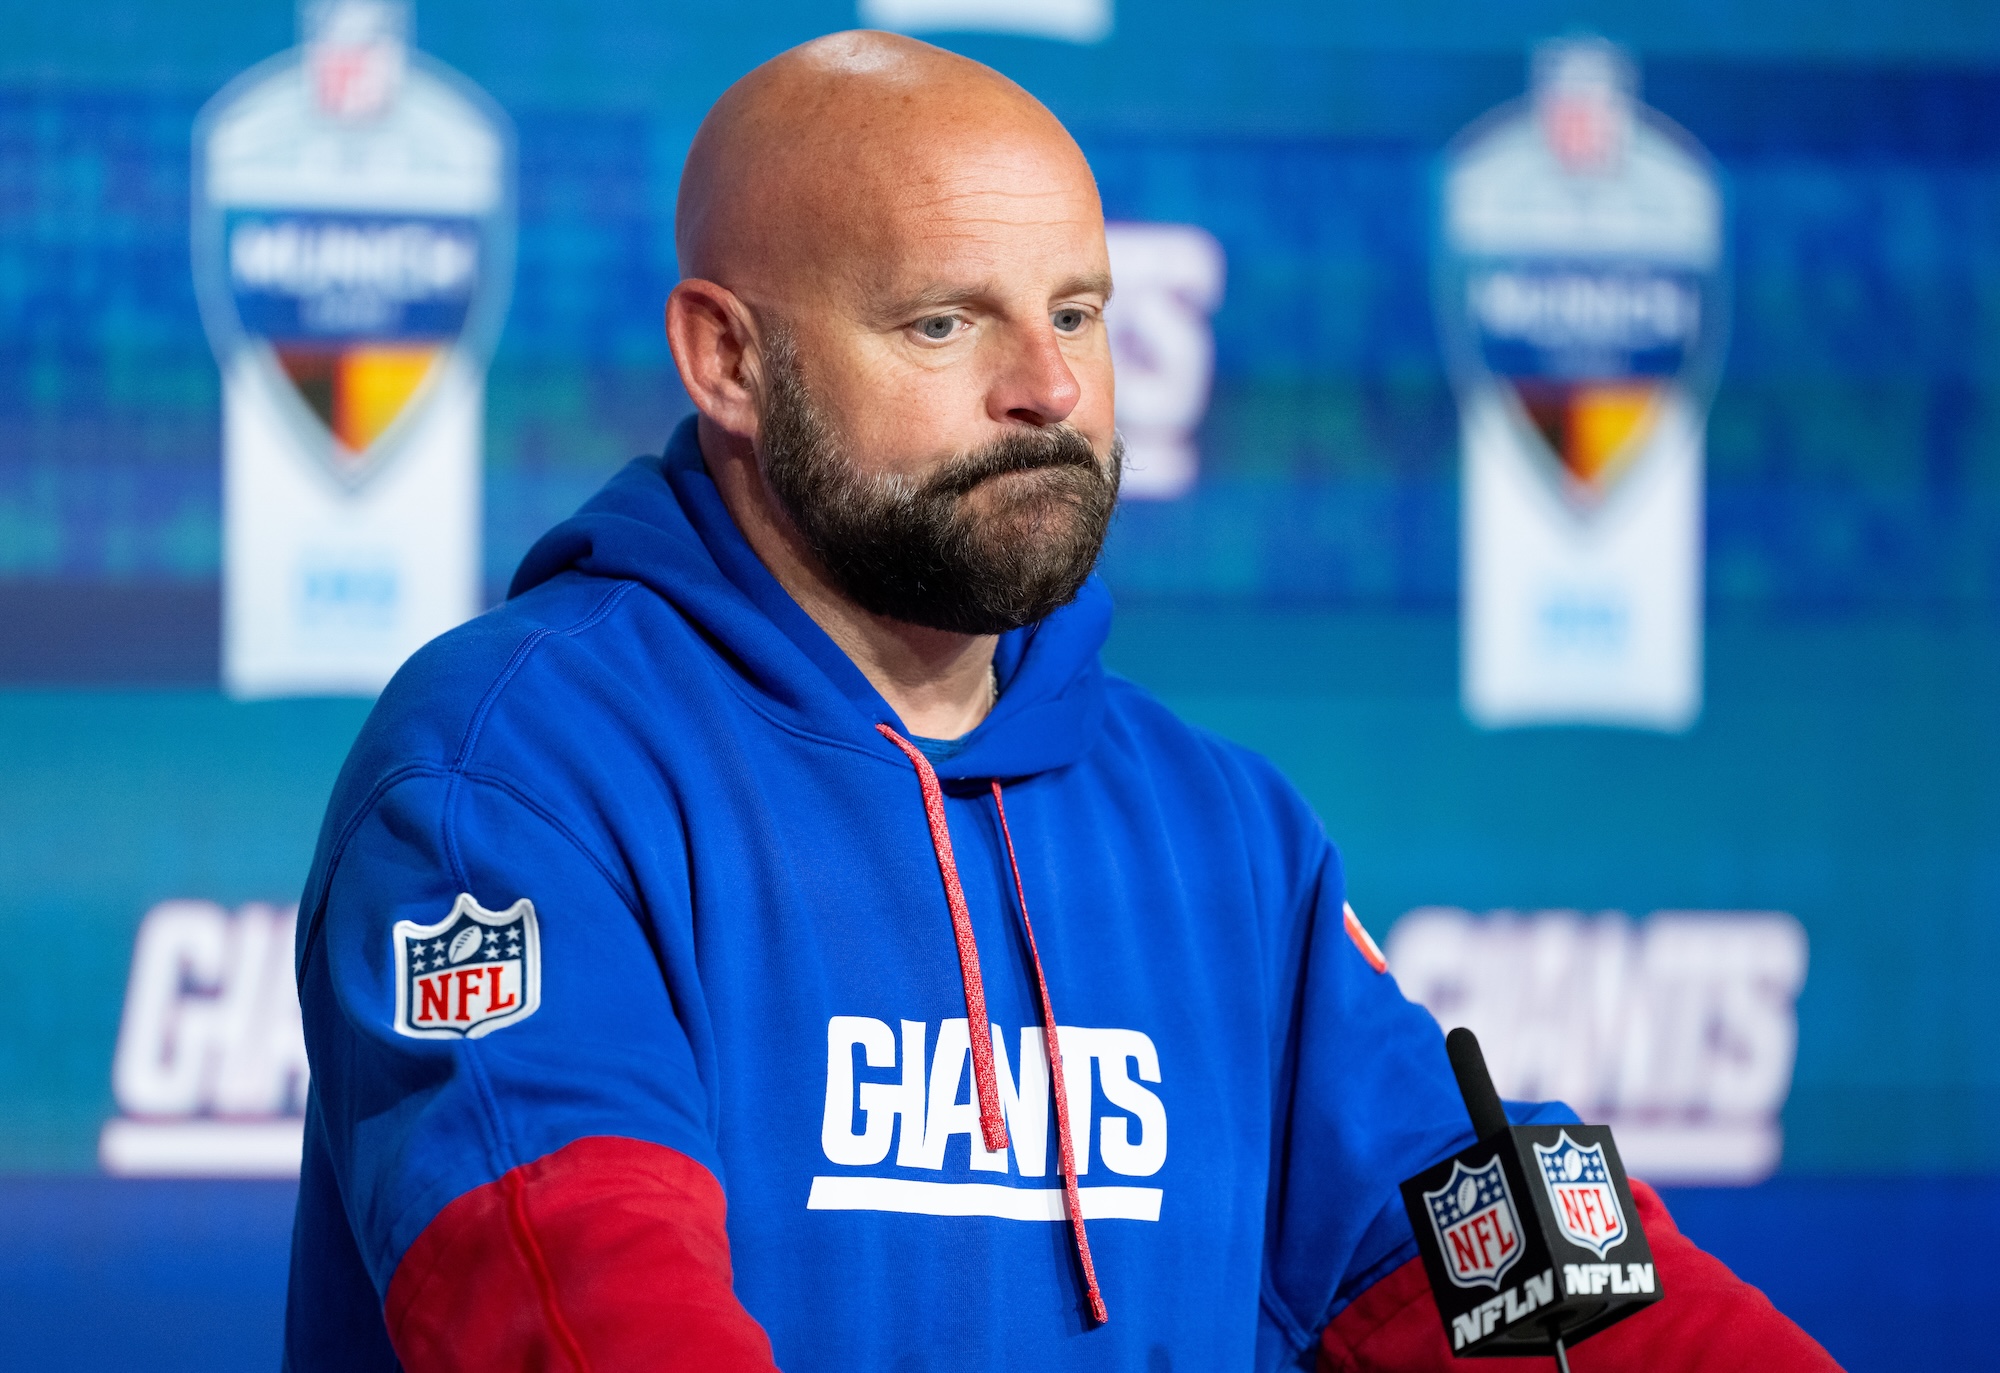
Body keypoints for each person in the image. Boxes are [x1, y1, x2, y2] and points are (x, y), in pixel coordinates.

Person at [283, 30, 1838, 1373]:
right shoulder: (512, 773)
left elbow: (1503, 1274)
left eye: (1080, 313)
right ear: (728, 359)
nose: (1049, 387)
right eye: (945, 322)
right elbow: (579, 1311)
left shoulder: (1214, 826)